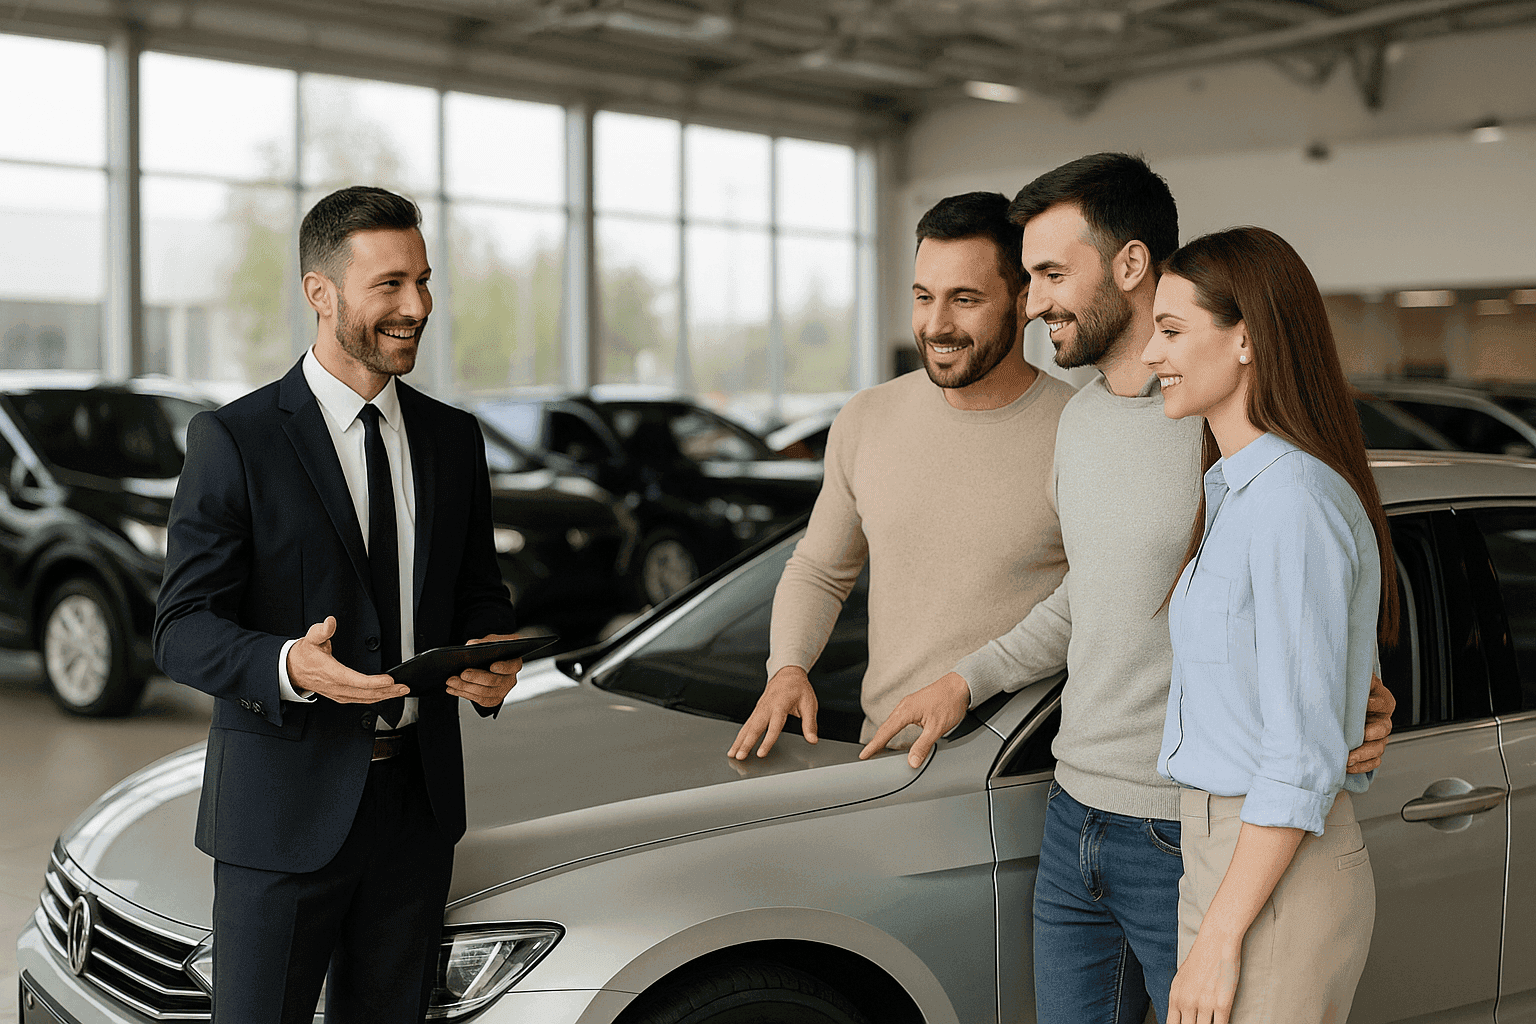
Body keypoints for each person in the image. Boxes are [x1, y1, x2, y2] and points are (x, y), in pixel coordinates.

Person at [860, 154, 1394, 1024]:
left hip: (1191, 827)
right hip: (1074, 810)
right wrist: (966, 680)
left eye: (1050, 275)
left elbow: (1311, 609)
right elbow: (1093, 595)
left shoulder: (1226, 436)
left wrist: (1352, 704)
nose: (1031, 303)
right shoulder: (1083, 422)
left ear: (1131, 264)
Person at [154, 186, 522, 1023]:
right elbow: (180, 628)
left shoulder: (452, 438)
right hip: (280, 815)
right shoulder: (235, 439)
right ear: (320, 294)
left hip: (416, 812)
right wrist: (289, 664)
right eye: (389, 284)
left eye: (423, 281)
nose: (416, 307)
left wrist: (489, 655)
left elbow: (477, 593)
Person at [728, 191, 1076, 761]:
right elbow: (820, 570)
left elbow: (1091, 604)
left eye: (964, 299)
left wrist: (968, 683)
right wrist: (788, 666)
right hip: (883, 759)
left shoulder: (1078, 430)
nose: (937, 325)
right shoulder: (867, 418)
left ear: (1025, 301)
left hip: (1014, 768)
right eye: (923, 297)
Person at [1145, 226, 1391, 1024]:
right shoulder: (1237, 491)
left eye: (1171, 330)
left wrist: (1219, 938)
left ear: (1246, 339)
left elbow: (1297, 756)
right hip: (1229, 855)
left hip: (1272, 870)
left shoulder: (1291, 502)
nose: (1151, 353)